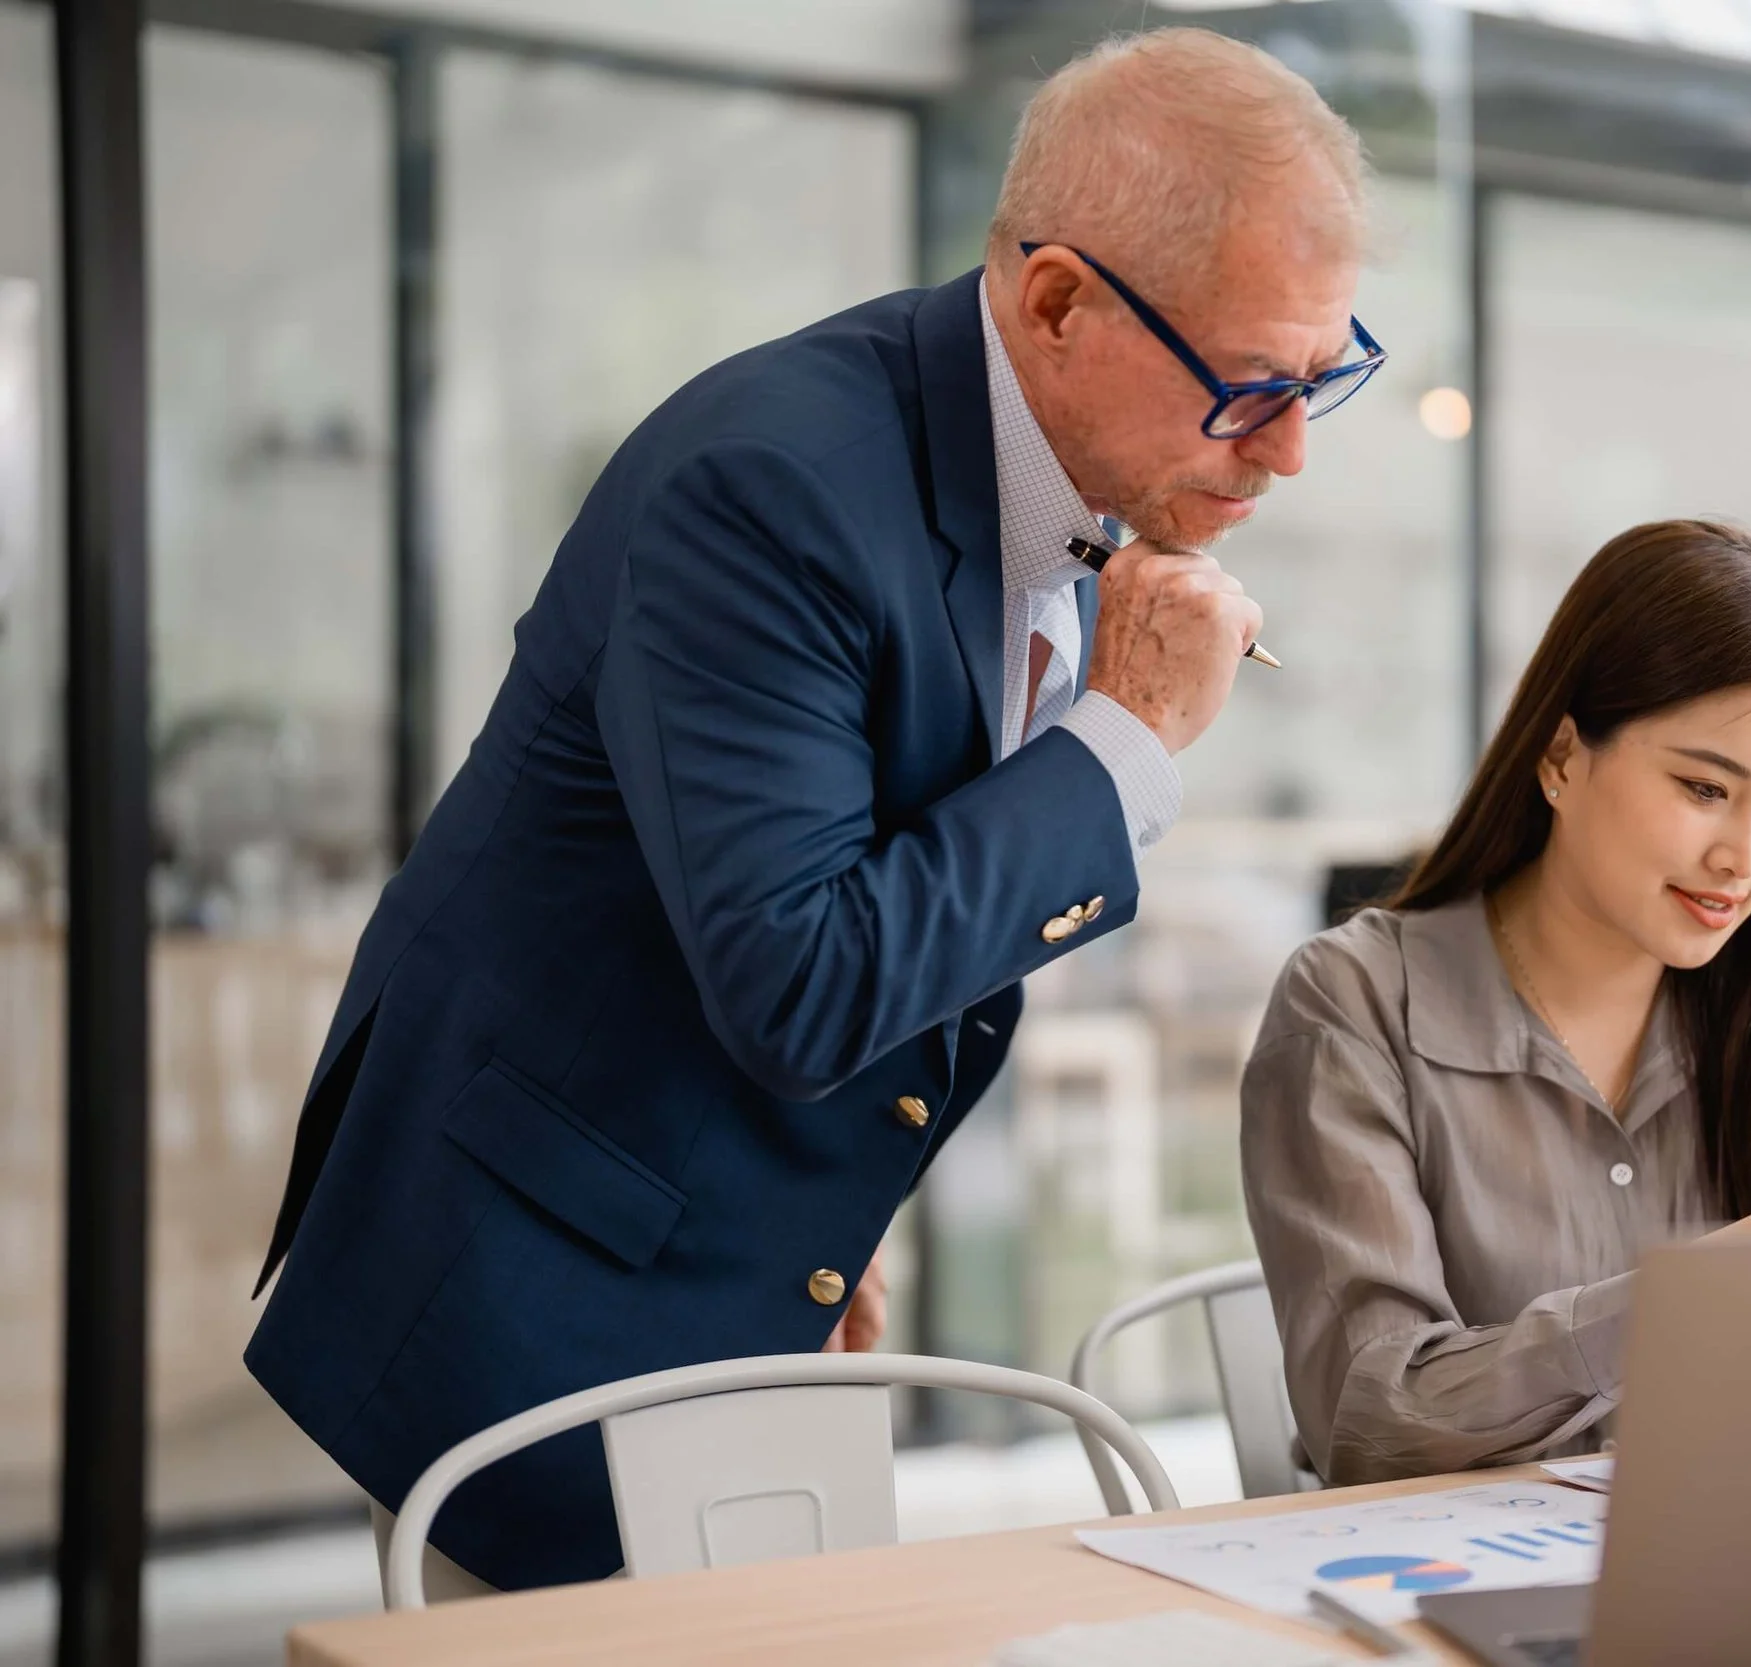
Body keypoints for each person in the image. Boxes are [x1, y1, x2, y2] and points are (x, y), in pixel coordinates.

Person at [246, 28, 1380, 1593]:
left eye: (1326, 378)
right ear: (1056, 302)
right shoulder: (769, 487)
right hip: (547, 1271)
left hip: (746, 1236)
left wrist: (827, 1206)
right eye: (1254, 388)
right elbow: (804, 974)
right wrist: (1124, 738)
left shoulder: (1041, 481)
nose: (1295, 450)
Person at [1240, 519, 1751, 1488]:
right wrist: (1671, 1309)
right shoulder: (1356, 1006)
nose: (1745, 855)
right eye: (1705, 787)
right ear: (1559, 756)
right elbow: (1367, 1418)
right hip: (1451, 1598)